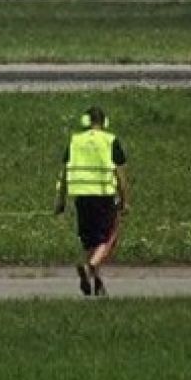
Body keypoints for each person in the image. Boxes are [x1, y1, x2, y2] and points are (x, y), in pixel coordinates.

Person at [54, 105, 130, 297]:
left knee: (90, 241)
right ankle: (90, 267)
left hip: (81, 196)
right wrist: (125, 200)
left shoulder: (75, 141)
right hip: (104, 195)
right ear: (104, 123)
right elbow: (120, 175)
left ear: (85, 122)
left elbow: (64, 174)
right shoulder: (110, 140)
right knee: (107, 239)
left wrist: (61, 201)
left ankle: (97, 282)